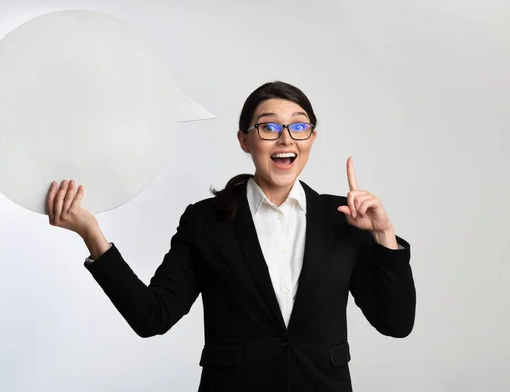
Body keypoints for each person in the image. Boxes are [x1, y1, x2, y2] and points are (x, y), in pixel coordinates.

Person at [46, 81, 416, 391]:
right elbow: (151, 317)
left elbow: (396, 323)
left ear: (312, 138)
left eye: (299, 127)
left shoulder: (344, 220)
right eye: (269, 127)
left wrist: (384, 234)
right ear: (244, 140)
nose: (285, 138)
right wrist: (91, 234)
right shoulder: (205, 221)